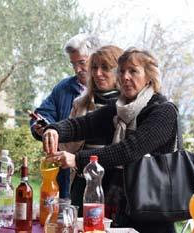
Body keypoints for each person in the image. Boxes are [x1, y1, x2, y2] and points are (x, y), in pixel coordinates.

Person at [42, 48, 178, 233]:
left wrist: (77, 159)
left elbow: (129, 150)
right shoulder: (119, 108)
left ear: (149, 77)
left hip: (152, 214)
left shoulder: (163, 111)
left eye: (133, 71)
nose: (125, 77)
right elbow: (83, 124)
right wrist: (54, 129)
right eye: (121, 71)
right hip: (119, 207)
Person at [30, 33, 102, 198]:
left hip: (97, 177)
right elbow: (43, 113)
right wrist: (41, 128)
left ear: (96, 58)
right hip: (65, 176)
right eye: (73, 64)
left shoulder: (108, 93)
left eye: (82, 63)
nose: (77, 69)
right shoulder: (63, 88)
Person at [58, 45, 123, 216]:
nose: (98, 73)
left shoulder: (129, 107)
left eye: (105, 68)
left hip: (114, 186)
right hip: (82, 182)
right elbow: (67, 147)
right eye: (94, 67)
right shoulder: (80, 103)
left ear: (119, 71)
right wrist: (53, 132)